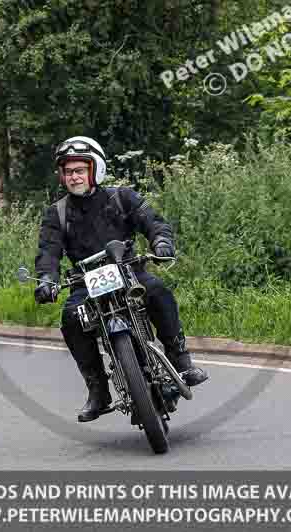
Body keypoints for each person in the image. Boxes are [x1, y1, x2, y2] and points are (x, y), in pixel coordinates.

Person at [34, 136, 208, 423]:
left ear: (95, 169)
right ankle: (98, 391)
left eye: (79, 169)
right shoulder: (57, 213)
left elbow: (152, 220)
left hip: (128, 269)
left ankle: (180, 359)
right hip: (85, 282)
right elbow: (48, 251)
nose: (74, 176)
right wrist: (46, 279)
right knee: (71, 319)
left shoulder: (121, 196)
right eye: (68, 171)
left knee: (158, 291)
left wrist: (161, 241)